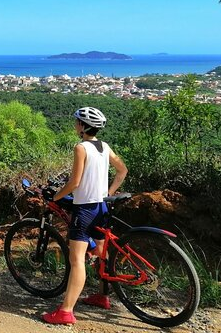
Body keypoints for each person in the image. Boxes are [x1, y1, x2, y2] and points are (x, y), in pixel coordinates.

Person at [42, 107, 128, 325]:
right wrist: (108, 193)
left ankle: (66, 311)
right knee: (101, 252)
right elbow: (122, 170)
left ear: (82, 126)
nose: (75, 125)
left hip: (86, 210)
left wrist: (55, 197)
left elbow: (75, 183)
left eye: (76, 122)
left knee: (77, 260)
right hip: (102, 207)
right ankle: (102, 296)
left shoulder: (80, 147)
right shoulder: (105, 146)